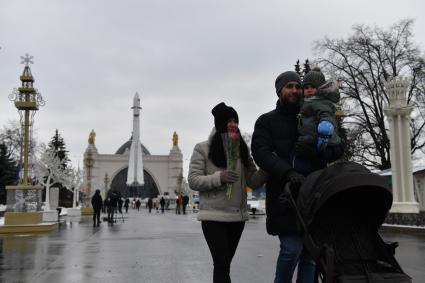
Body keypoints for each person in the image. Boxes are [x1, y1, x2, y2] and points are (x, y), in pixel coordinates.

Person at [251, 71, 344, 283]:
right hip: (286, 195)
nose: (294, 90)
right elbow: (261, 152)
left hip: (314, 194)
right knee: (291, 249)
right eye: (289, 86)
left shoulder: (314, 113)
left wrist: (318, 152)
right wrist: (287, 171)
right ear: (279, 90)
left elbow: (338, 147)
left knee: (310, 255)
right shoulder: (267, 121)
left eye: (297, 86)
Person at [188, 102, 266, 283]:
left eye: (235, 121)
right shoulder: (203, 148)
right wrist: (218, 178)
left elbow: (253, 180)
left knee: (225, 264)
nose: (233, 124)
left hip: (237, 218)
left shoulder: (241, 150)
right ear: (219, 123)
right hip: (213, 217)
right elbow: (193, 180)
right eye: (229, 121)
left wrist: (269, 167)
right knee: (222, 262)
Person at [298, 67, 341, 154]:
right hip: (309, 138)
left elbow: (326, 114)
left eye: (313, 87)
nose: (309, 90)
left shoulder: (319, 102)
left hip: (318, 138)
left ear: (320, 88)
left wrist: (325, 129)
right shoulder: (307, 102)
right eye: (306, 88)